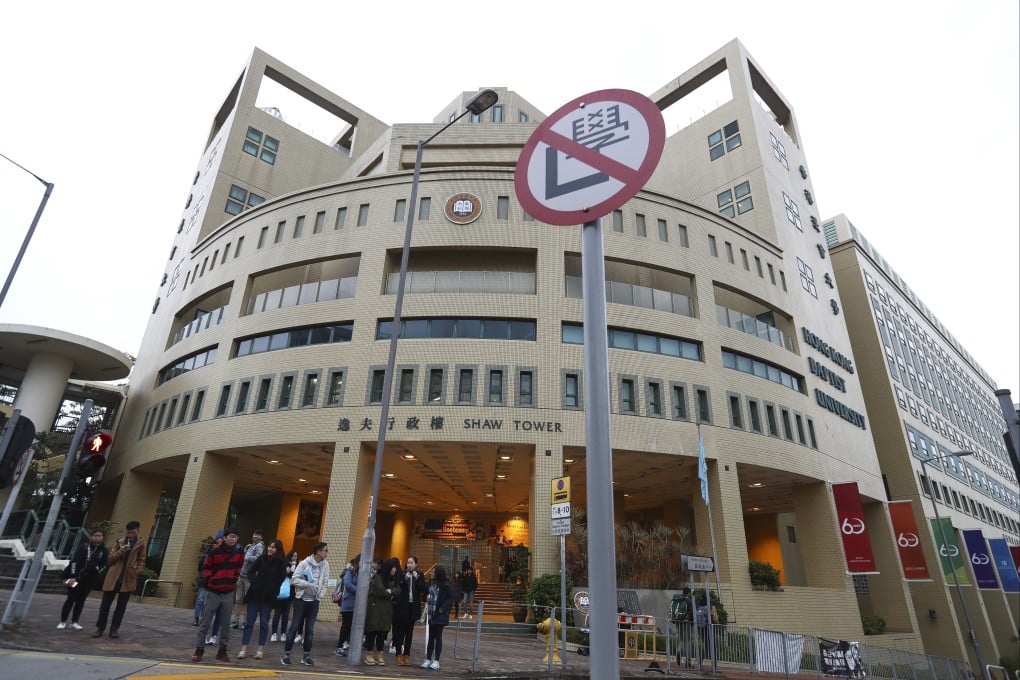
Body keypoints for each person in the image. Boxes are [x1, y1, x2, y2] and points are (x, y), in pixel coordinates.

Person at [192, 527, 244, 663]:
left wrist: (234, 579)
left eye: (235, 537)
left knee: (226, 625)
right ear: (225, 537)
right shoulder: (214, 551)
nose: (233, 539)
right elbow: (206, 568)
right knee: (205, 622)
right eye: (231, 536)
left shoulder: (239, 552)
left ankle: (222, 651)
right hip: (213, 591)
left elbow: (239, 568)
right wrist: (212, 580)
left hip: (228, 592)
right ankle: (199, 650)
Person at [92, 520, 146, 639]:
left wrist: (137, 570)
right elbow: (110, 559)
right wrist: (120, 551)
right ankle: (100, 628)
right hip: (114, 577)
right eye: (128, 532)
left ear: (137, 531)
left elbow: (142, 559)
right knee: (105, 605)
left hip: (128, 578)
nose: (130, 535)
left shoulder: (141, 543)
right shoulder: (120, 542)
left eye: (133, 532)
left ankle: (114, 629)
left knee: (121, 607)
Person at [281, 542, 329, 667]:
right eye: (325, 550)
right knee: (294, 627)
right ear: (318, 551)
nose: (326, 553)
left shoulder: (325, 565)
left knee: (310, 629)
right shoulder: (304, 563)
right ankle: (286, 655)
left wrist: (320, 596)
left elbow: (325, 582)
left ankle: (306, 656)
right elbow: (294, 579)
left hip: (314, 602)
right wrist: (307, 584)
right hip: (301, 600)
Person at [238, 539, 287, 660]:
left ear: (278, 549)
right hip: (255, 595)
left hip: (268, 598)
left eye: (273, 547)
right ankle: (243, 649)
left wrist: (272, 587)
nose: (270, 549)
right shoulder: (261, 558)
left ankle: (260, 650)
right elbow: (250, 572)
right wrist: (255, 581)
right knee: (249, 623)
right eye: (269, 546)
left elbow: (281, 578)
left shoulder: (281, 562)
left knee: (264, 624)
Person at [58, 528, 108, 630]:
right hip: (76, 577)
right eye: (95, 535)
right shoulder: (84, 547)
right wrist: (73, 576)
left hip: (89, 579)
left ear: (103, 537)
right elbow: (74, 561)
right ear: (91, 536)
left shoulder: (103, 550)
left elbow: (104, 564)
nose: (97, 537)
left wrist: (97, 569)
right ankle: (63, 621)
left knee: (81, 600)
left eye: (99, 536)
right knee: (71, 598)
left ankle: (74, 621)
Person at [363, 557, 400, 666]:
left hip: (386, 610)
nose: (395, 570)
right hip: (375, 608)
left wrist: (389, 591)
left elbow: (398, 590)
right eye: (393, 568)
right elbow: (379, 591)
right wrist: (390, 592)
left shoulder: (392, 579)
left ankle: (380, 655)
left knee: (382, 632)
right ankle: (369, 654)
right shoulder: (378, 577)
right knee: (372, 631)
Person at [391, 555, 424, 666]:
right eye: (408, 563)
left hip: (412, 608)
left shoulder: (420, 575)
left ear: (416, 564)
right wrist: (405, 578)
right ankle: (398, 655)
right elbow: (399, 587)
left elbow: (422, 589)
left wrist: (417, 578)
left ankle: (407, 655)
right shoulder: (401, 574)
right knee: (400, 632)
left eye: (411, 563)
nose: (409, 565)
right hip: (402, 607)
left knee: (409, 633)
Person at [421, 565, 453, 670]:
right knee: (431, 637)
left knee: (438, 637)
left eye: (433, 572)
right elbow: (425, 593)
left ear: (438, 574)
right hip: (431, 613)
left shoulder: (445, 585)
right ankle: (428, 659)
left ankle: (436, 660)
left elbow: (451, 597)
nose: (431, 573)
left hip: (440, 614)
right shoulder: (430, 583)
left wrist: (442, 608)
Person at [232, 529, 264, 628]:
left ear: (261, 537)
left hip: (248, 578)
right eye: (254, 534)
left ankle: (245, 622)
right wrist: (246, 550)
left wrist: (246, 557)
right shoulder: (252, 545)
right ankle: (235, 621)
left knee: (247, 601)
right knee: (238, 600)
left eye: (258, 535)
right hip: (241, 575)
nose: (255, 536)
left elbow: (258, 558)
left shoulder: (259, 546)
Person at [195, 530, 224, 640]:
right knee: (201, 599)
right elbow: (201, 564)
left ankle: (203, 619)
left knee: (206, 601)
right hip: (205, 578)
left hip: (214, 581)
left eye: (221, 538)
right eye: (219, 538)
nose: (220, 540)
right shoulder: (209, 549)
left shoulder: (224, 551)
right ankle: (197, 617)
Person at [333, 553, 360, 656]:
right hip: (348, 604)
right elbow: (347, 584)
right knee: (346, 626)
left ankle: (347, 643)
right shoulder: (350, 572)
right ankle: (339, 646)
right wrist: (359, 590)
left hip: (358, 605)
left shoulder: (362, 573)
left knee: (352, 627)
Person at [271, 549, 299, 643]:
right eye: (293, 555)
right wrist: (288, 570)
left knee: (286, 615)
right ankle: (274, 633)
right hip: (281, 592)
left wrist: (293, 568)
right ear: (289, 556)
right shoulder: (284, 564)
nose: (294, 557)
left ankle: (283, 633)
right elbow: (284, 575)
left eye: (296, 556)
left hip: (290, 593)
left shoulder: (298, 566)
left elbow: (295, 577)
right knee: (277, 614)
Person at [672, 586, 694, 668]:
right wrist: (692, 622)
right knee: (687, 641)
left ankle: (678, 652)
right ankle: (688, 662)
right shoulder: (689, 601)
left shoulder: (678, 599)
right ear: (688, 593)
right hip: (687, 623)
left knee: (681, 639)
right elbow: (691, 612)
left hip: (678, 622)